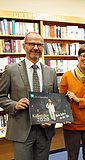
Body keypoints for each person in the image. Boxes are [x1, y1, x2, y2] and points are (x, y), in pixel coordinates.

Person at [0, 32, 58, 160]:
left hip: (45, 131)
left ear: (43, 47)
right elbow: (1, 96)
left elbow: (55, 100)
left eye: (39, 44)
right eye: (31, 43)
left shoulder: (51, 72)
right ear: (24, 46)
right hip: (22, 130)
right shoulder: (11, 70)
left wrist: (52, 119)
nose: (36, 48)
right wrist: (15, 104)